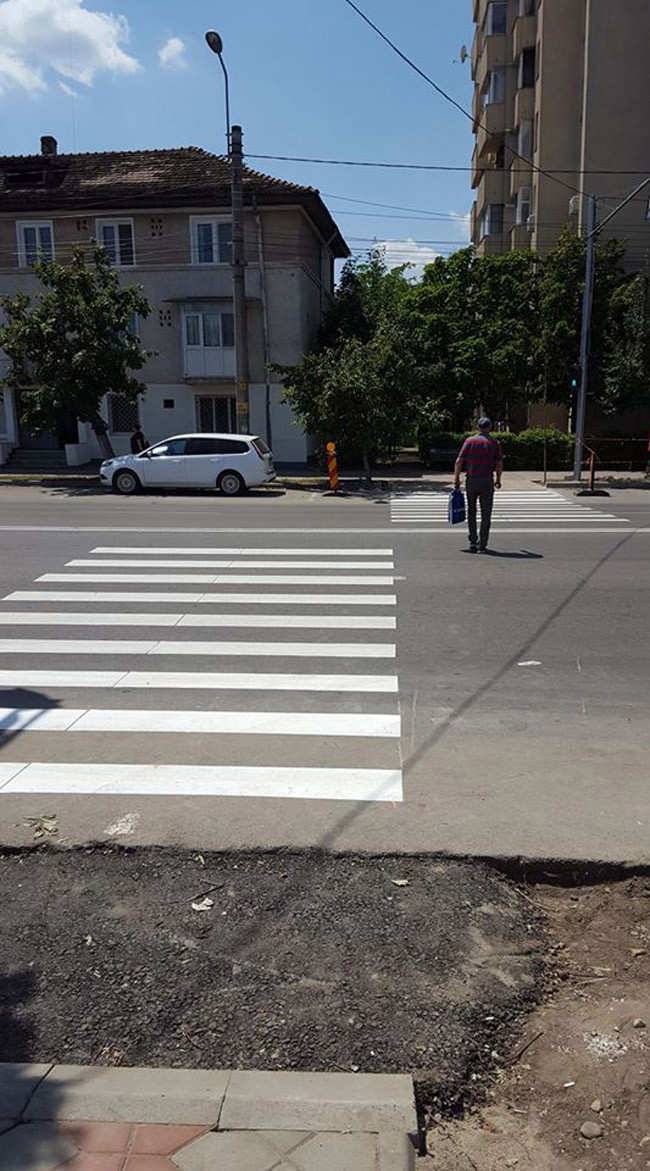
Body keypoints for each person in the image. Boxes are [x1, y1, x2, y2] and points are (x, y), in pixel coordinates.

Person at [454, 417, 503, 553]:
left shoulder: (469, 441)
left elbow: (459, 461)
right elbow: (499, 463)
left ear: (478, 427)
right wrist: (498, 479)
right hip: (487, 480)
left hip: (471, 480)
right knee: (486, 513)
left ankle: (473, 541)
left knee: (472, 511)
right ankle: (483, 544)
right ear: (490, 427)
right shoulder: (494, 443)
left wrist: (456, 479)